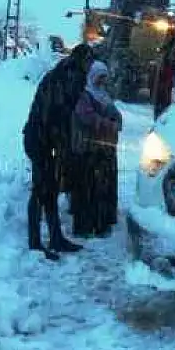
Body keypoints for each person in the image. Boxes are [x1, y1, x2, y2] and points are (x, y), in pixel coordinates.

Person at [22, 43, 94, 261]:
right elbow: (57, 115)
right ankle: (35, 242)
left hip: (42, 138)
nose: (90, 67)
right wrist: (62, 146)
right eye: (89, 61)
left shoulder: (63, 73)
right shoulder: (70, 76)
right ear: (83, 60)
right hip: (39, 139)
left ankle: (55, 238)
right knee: (40, 189)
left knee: (50, 189)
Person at [70, 61, 123, 237]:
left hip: (105, 149)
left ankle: (102, 223)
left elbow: (116, 114)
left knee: (103, 187)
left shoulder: (103, 95)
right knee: (88, 188)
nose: (102, 81)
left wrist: (116, 122)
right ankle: (85, 226)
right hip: (88, 150)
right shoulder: (83, 95)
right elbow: (87, 117)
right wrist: (108, 125)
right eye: (100, 77)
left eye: (104, 77)